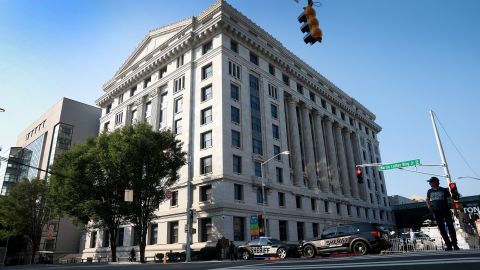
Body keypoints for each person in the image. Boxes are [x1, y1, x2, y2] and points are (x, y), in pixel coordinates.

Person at [426, 177, 459, 251]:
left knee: (450, 227)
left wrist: (455, 210)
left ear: (435, 182)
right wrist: (429, 206)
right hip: (436, 211)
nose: (429, 183)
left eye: (431, 182)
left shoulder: (443, 190)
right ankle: (448, 245)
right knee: (441, 229)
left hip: (445, 210)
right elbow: (427, 199)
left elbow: (451, 199)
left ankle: (455, 244)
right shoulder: (429, 191)